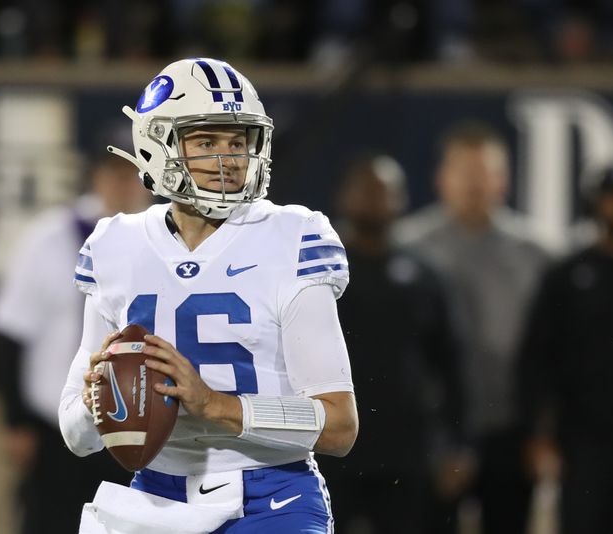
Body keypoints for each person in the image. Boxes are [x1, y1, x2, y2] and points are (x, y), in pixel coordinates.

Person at [58, 58, 358, 533]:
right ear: (158, 145)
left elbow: (340, 426)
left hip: (270, 499)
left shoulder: (294, 237)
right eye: (206, 141)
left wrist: (216, 405)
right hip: (154, 498)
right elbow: (77, 436)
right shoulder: (115, 245)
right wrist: (102, 403)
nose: (229, 159)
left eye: (237, 142)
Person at [394, 121, 548, 534]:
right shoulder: (408, 248)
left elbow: (549, 351)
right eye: (465, 173)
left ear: (504, 180)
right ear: (442, 178)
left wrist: (543, 430)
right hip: (433, 430)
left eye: (485, 173)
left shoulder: (536, 254)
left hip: (509, 429)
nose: (475, 185)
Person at [0, 152, 151, 534]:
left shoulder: (171, 236)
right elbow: (10, 330)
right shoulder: (51, 236)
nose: (123, 184)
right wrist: (16, 420)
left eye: (132, 174)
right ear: (96, 176)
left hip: (143, 422)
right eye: (115, 173)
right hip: (56, 425)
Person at [520, 165, 613, 534]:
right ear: (597, 204)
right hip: (585, 443)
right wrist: (539, 435)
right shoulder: (567, 275)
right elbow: (537, 359)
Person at [320, 154, 467, 534]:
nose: (375, 201)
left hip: (405, 452)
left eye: (385, 193)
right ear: (344, 197)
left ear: (402, 199)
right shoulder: (315, 273)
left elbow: (451, 363)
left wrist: (457, 443)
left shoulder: (423, 276)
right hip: (331, 448)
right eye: (367, 192)